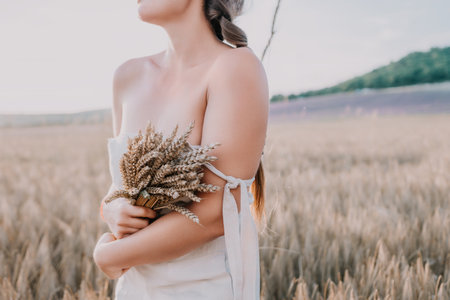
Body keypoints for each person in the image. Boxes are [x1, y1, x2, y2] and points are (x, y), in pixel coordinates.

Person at [93, 0, 269, 299]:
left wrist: (110, 256)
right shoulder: (127, 75)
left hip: (203, 287)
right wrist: (111, 207)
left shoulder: (235, 66)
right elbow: (124, 180)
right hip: (136, 286)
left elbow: (215, 213)